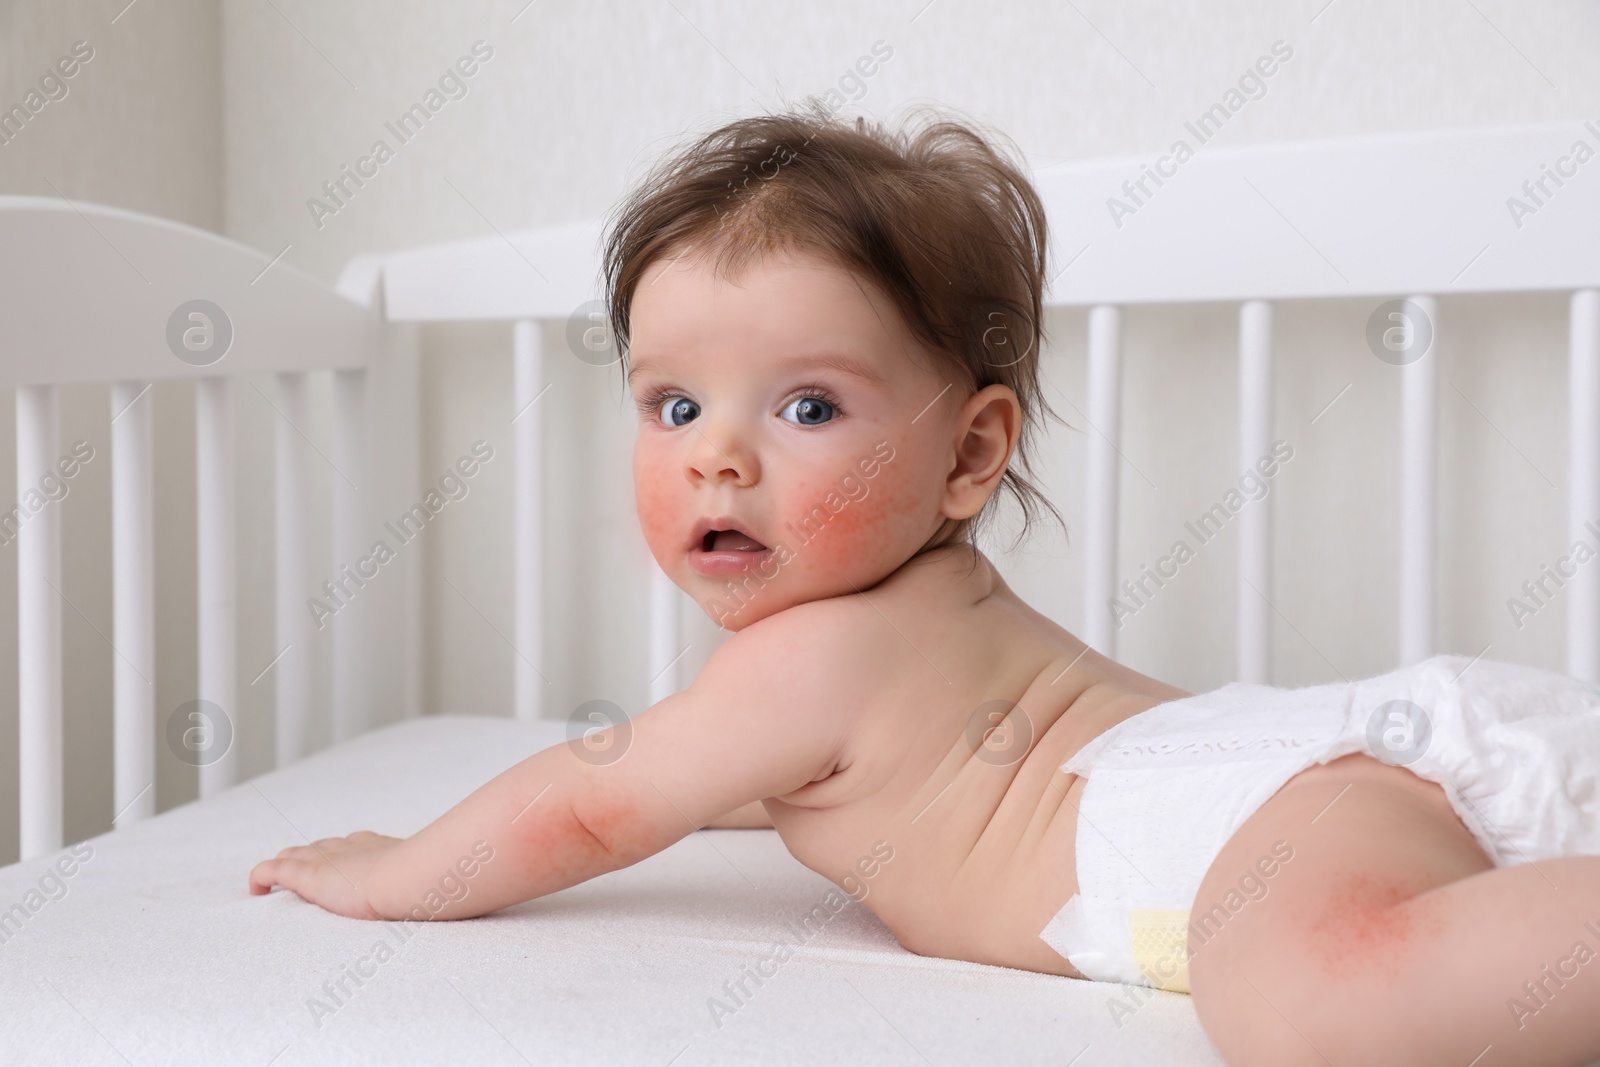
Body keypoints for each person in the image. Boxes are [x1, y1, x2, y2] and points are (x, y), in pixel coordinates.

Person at [251, 101, 1600, 1067]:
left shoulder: (810, 661)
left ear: (967, 455)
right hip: (1305, 790)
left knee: (1321, 1009)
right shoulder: (906, 629)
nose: (718, 456)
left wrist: (401, 874)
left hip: (1254, 821)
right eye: (672, 408)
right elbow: (708, 781)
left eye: (806, 407)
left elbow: (597, 807)